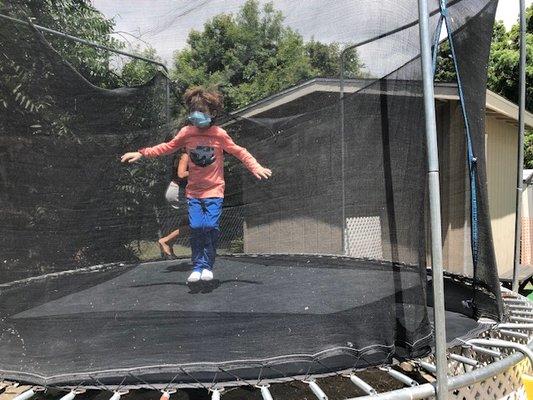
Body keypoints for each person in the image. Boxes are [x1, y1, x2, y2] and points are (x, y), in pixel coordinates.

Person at [121, 86, 272, 283]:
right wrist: (142, 153)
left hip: (214, 190)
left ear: (213, 113)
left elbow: (239, 151)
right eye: (193, 111)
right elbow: (167, 147)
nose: (196, 115)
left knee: (209, 226)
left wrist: (255, 166)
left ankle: (207, 265)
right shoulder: (187, 132)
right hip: (193, 192)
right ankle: (198, 266)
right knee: (196, 227)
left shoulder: (219, 134)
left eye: (202, 111)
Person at [158, 152, 189, 257]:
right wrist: (199, 170)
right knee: (196, 223)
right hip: (178, 191)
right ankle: (166, 241)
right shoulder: (185, 155)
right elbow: (181, 174)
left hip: (180, 190)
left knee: (188, 223)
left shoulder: (191, 154)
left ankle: (169, 246)